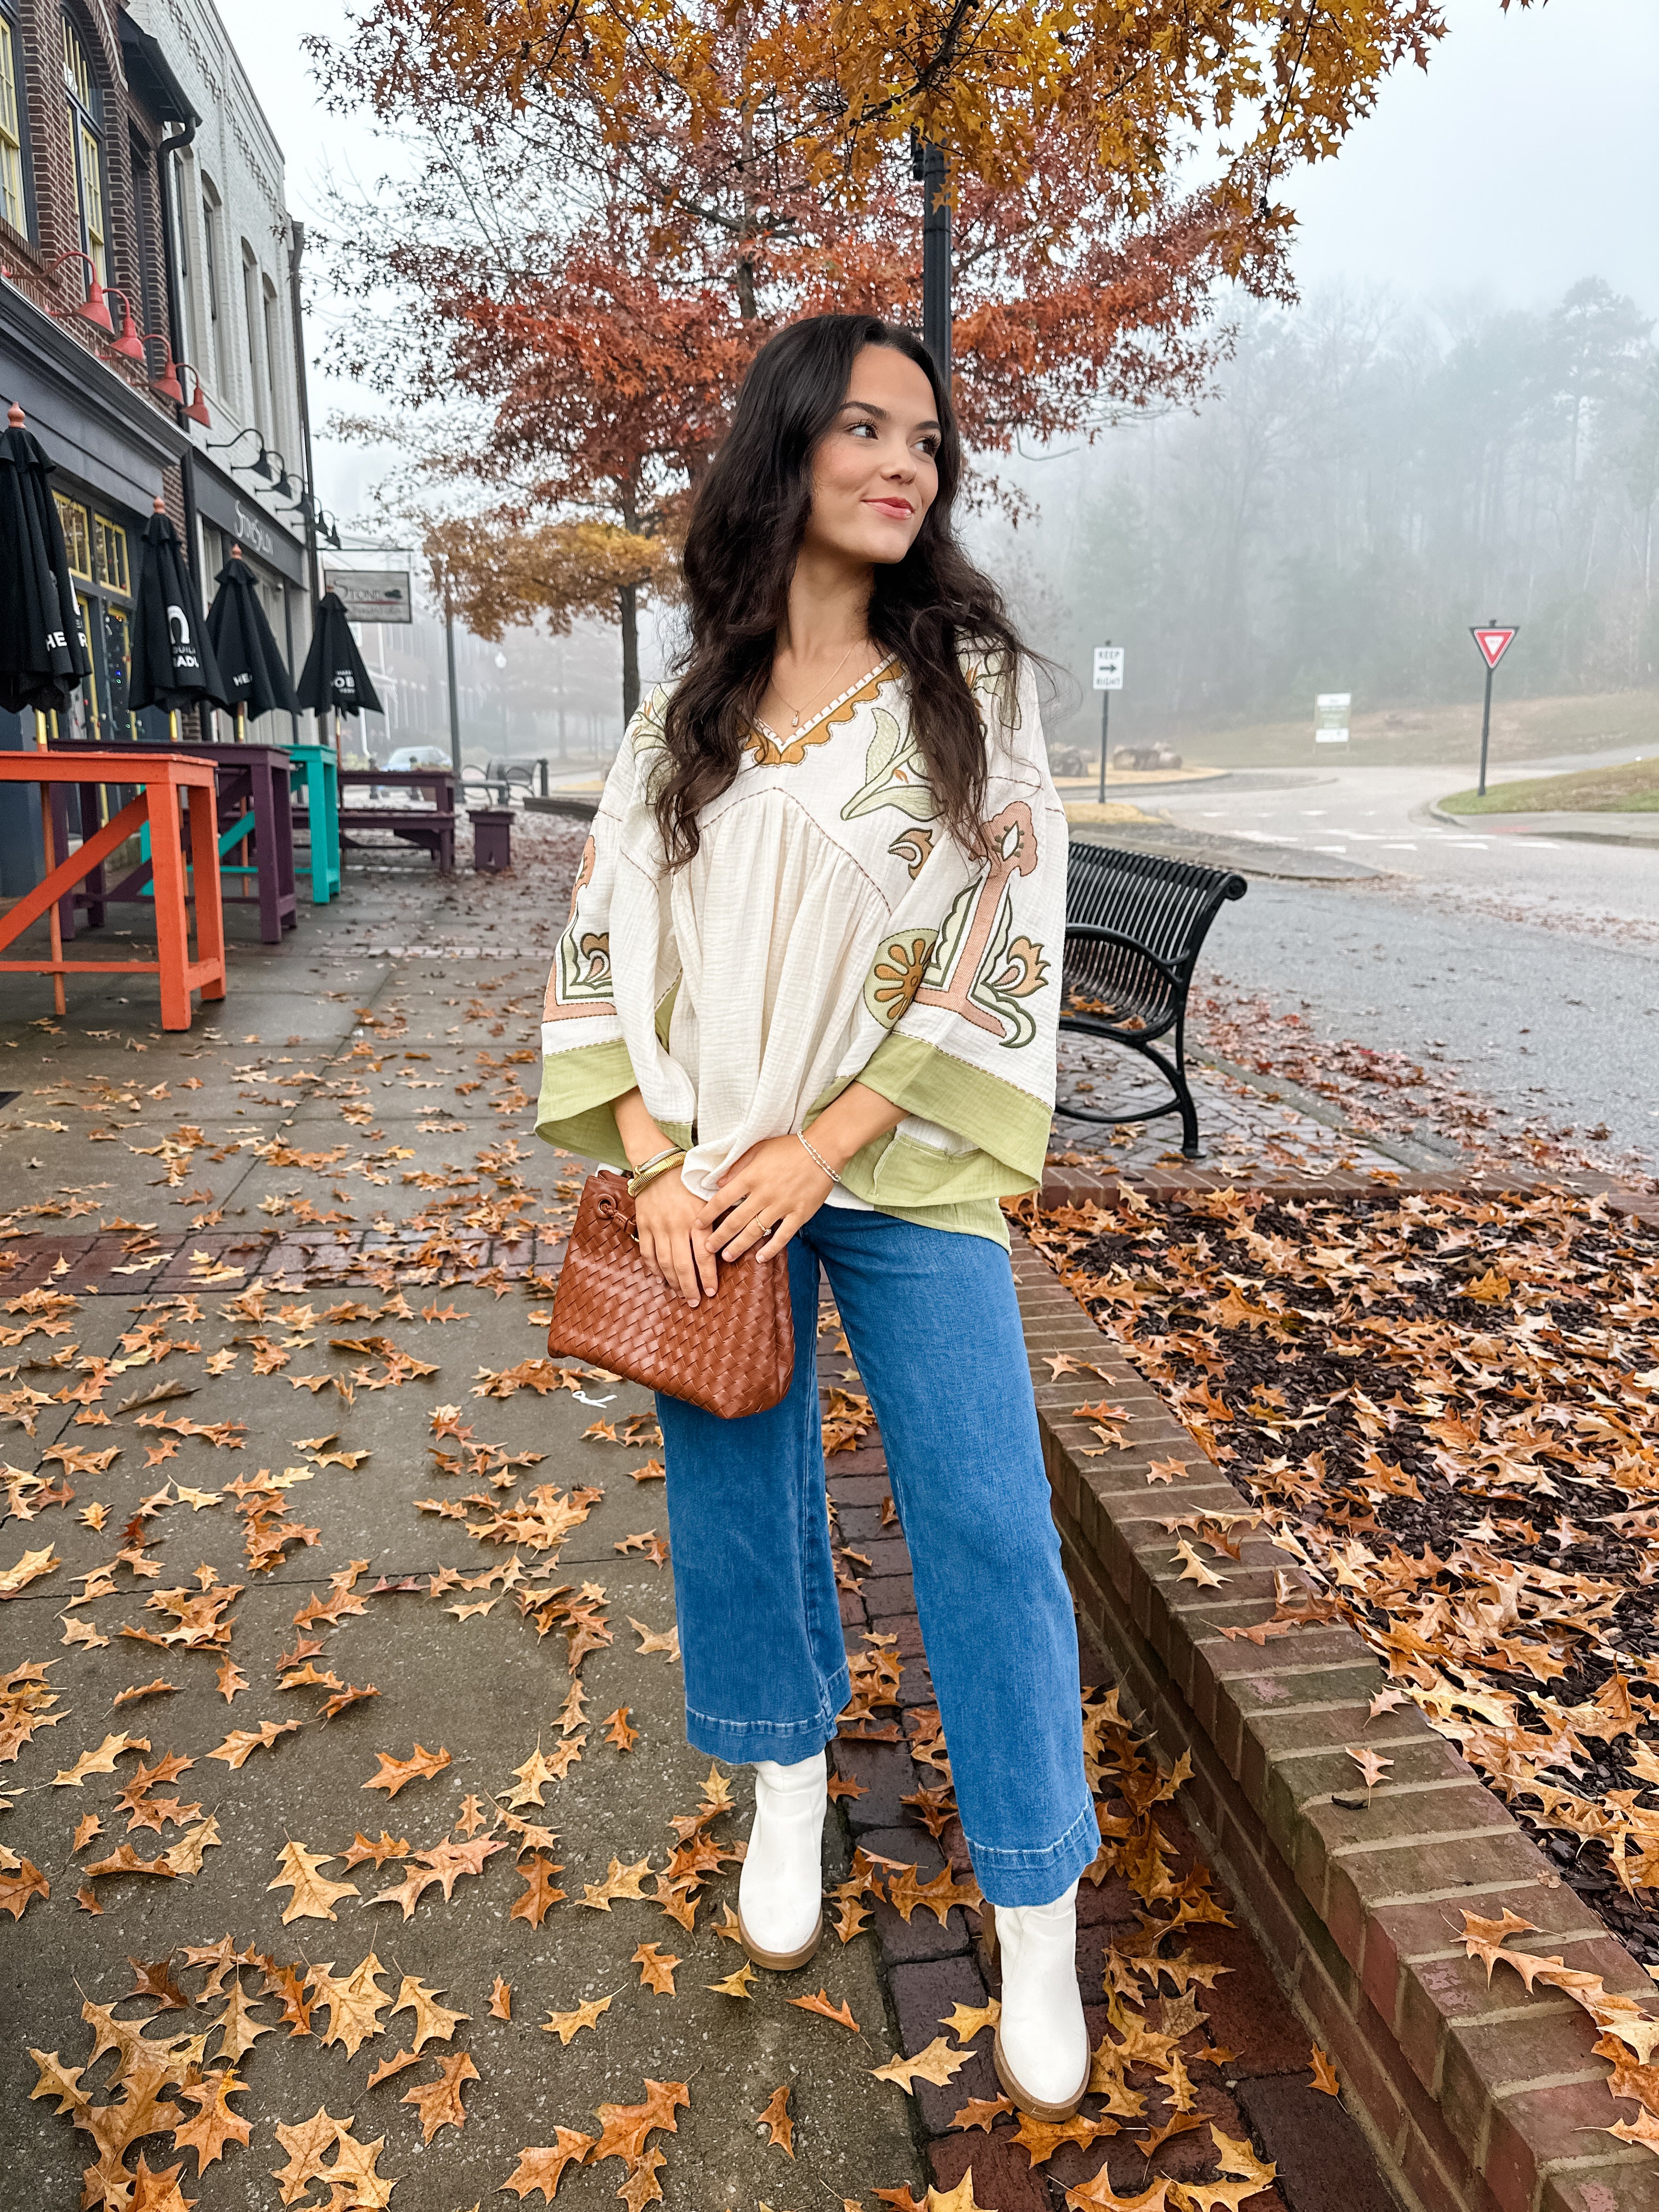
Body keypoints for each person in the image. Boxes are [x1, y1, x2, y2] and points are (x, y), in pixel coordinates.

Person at [537, 312, 1097, 2119]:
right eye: (865, 428)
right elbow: (608, 944)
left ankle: (1035, 1897)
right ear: (787, 450)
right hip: (712, 1175)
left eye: (926, 442)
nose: (902, 465)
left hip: (905, 1161)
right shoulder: (677, 714)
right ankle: (785, 1778)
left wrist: (830, 1136)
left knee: (991, 1522)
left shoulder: (976, 688)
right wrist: (650, 1158)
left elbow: (1002, 939)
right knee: (737, 1497)